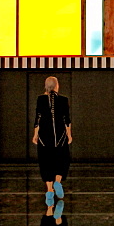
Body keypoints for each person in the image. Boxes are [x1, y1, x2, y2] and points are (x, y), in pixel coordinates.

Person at [33, 76, 72, 218]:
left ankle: (49, 192)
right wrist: (69, 135)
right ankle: (58, 182)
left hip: (44, 137)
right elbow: (67, 120)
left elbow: (38, 118)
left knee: (46, 162)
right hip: (60, 137)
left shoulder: (40, 99)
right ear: (56, 86)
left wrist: (35, 135)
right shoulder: (64, 100)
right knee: (61, 160)